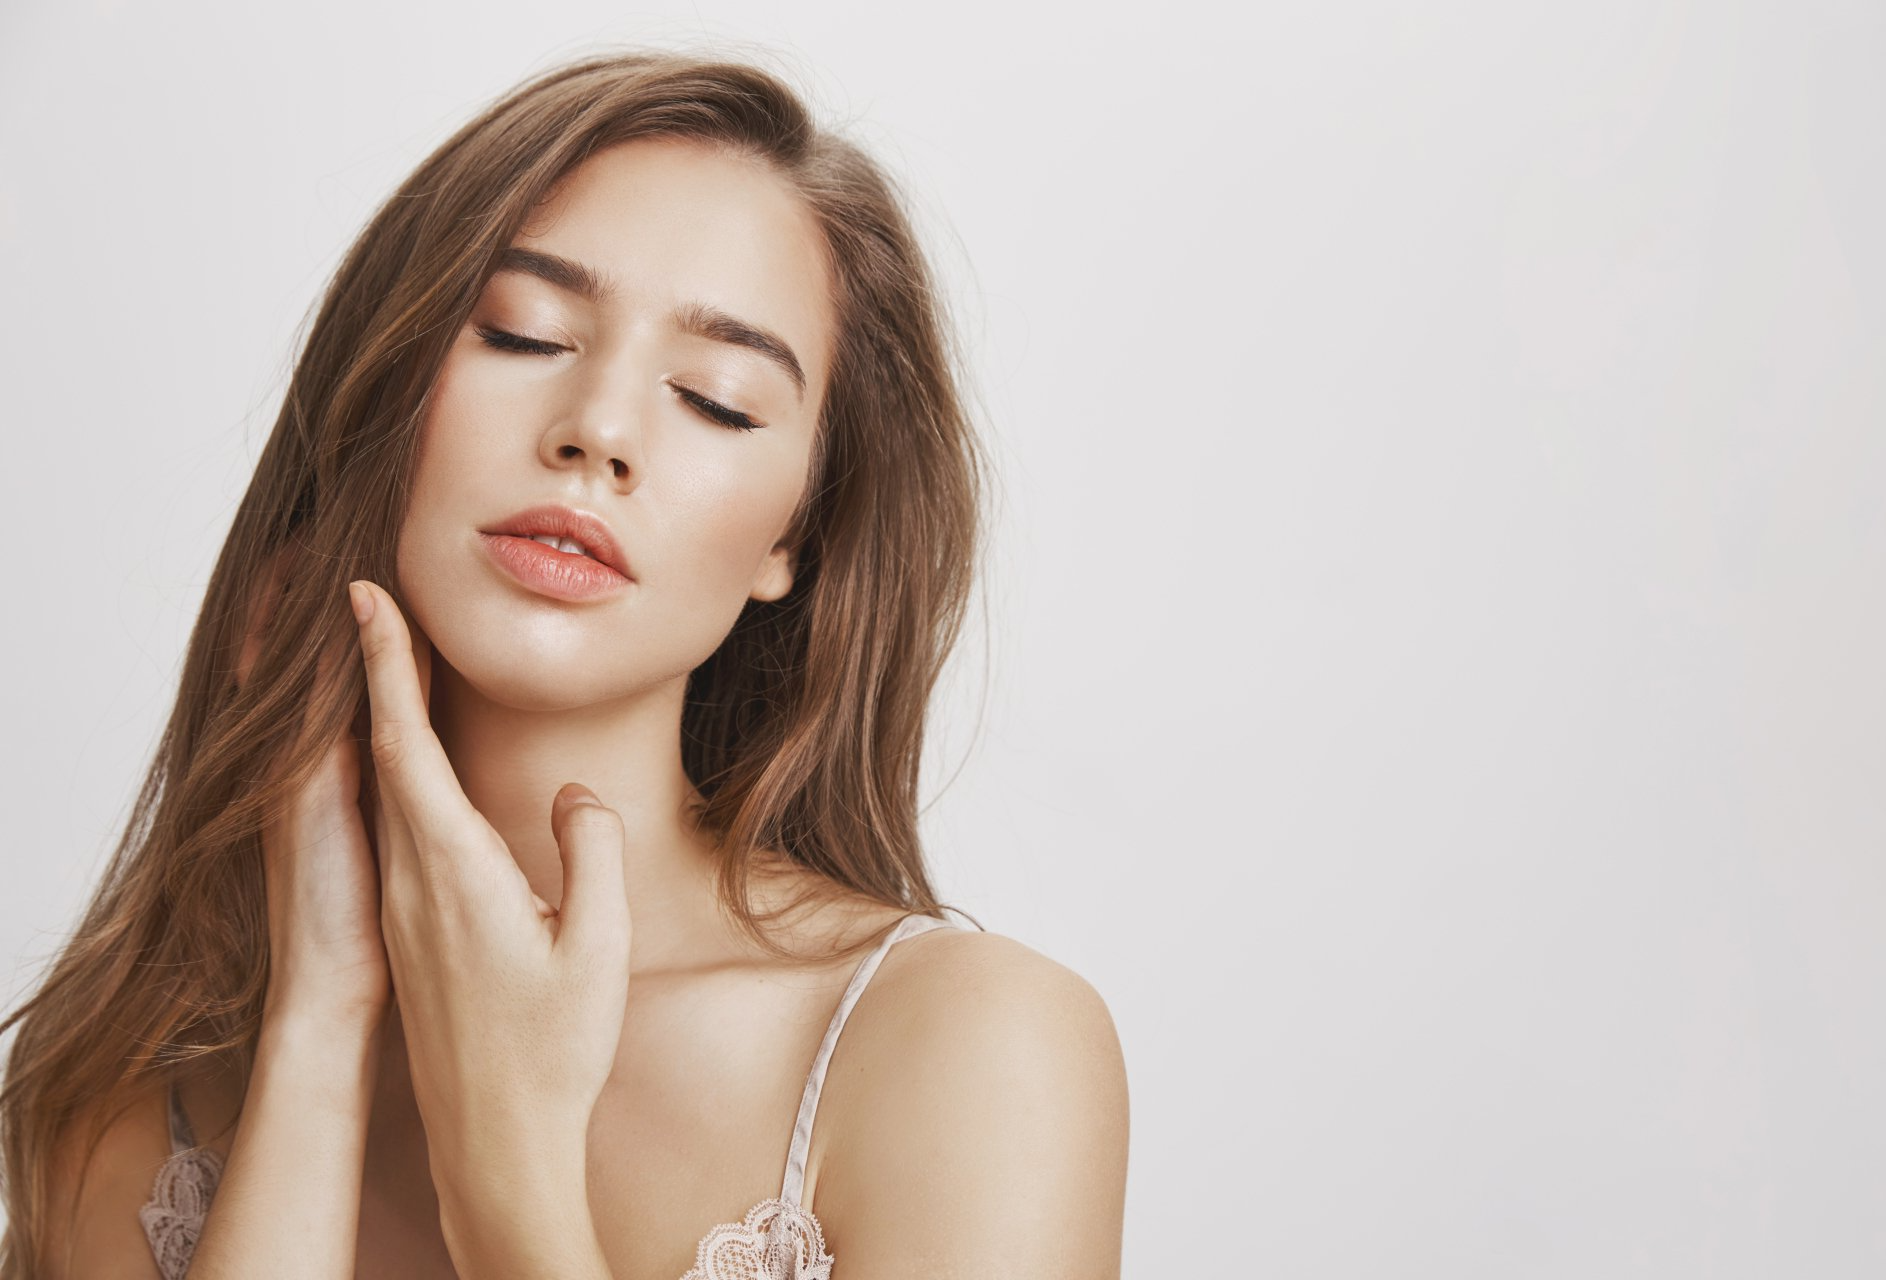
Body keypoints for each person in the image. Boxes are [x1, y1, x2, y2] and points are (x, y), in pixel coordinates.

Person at [0, 48, 1129, 1279]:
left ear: (794, 535)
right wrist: (318, 1025)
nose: (598, 429)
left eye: (717, 400)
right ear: (385, 386)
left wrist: (509, 1162)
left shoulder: (970, 1053)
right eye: (526, 333)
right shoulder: (122, 1088)